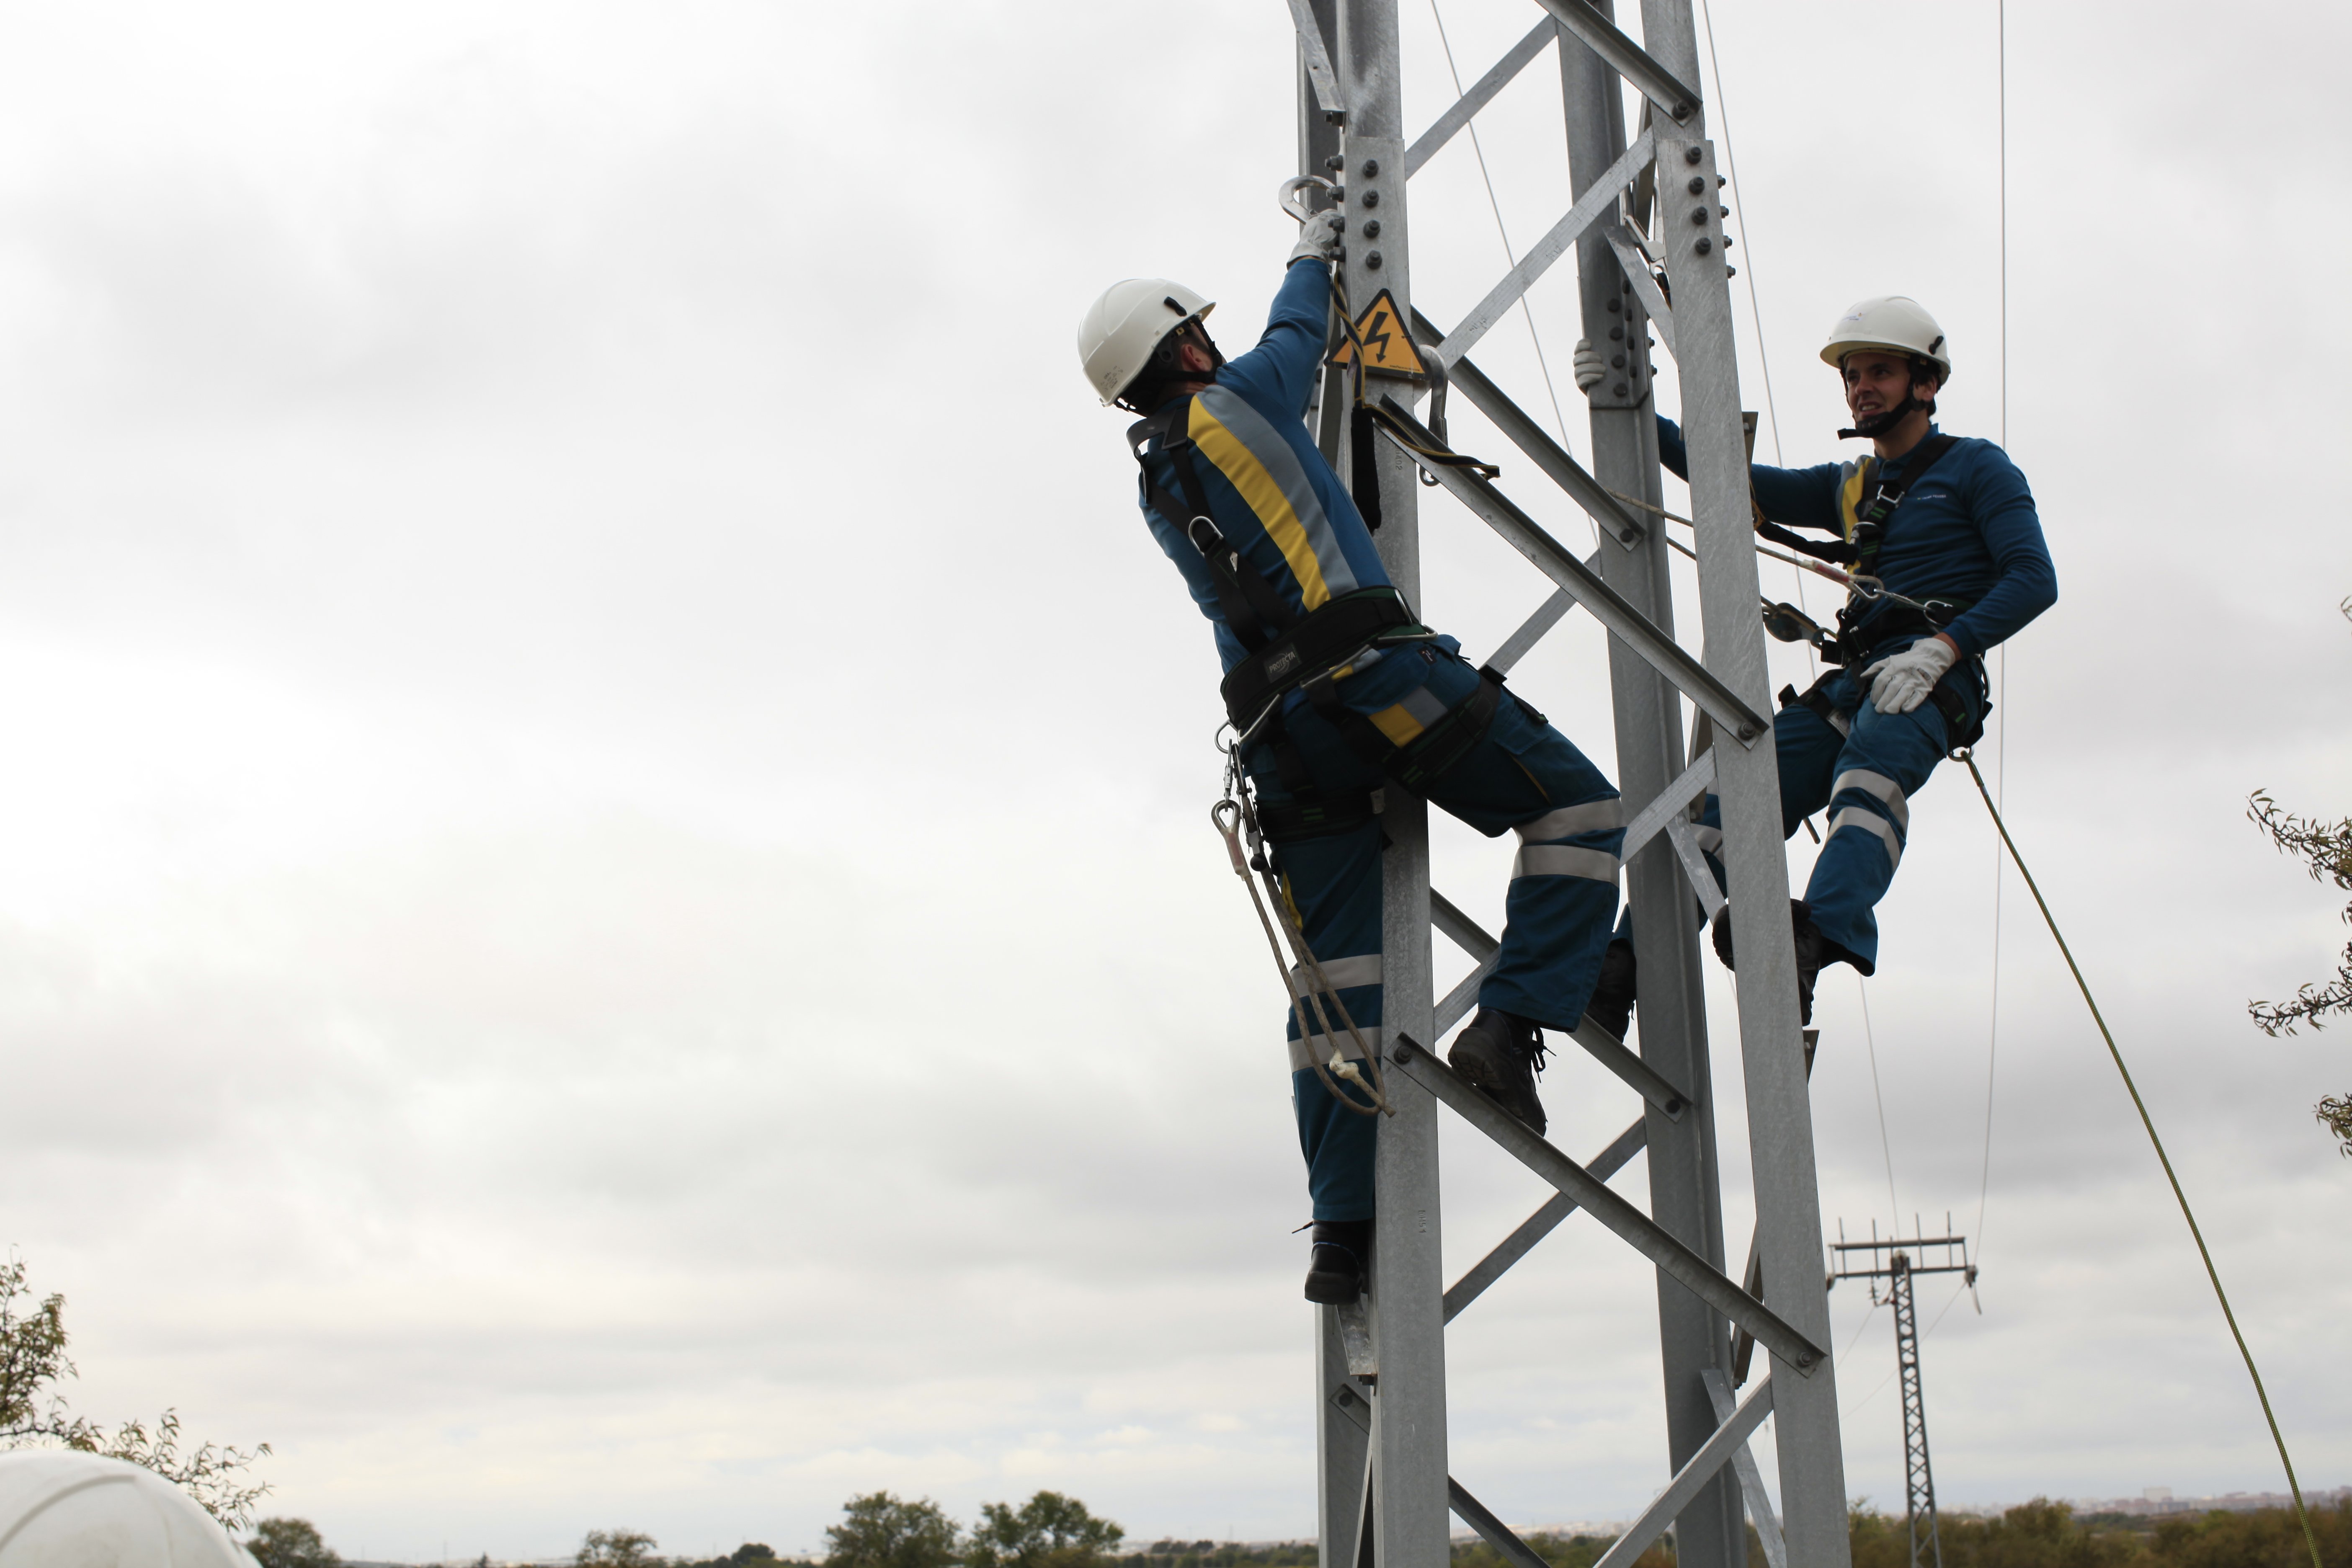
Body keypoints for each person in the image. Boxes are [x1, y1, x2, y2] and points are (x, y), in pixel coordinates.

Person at [1079, 211, 1628, 1304]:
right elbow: (1298, 331)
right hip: (1375, 677)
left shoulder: (1158, 479)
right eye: (1200, 334)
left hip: (1285, 739)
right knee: (1577, 815)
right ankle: (1513, 1027)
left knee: (1340, 988)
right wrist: (1316, 244)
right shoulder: (1237, 400)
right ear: (1186, 349)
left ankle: (1341, 1233)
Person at [1572, 296, 2057, 1027]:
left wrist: (1944, 648)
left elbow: (2033, 578)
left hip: (1928, 673)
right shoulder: (1854, 487)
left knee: (1871, 773)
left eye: (1881, 373)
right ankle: (1625, 965)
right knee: (1733, 801)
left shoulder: (1976, 468)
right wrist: (1629, 410)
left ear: (1926, 384)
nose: (1863, 387)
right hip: (1858, 676)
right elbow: (1728, 477)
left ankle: (1816, 933)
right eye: (1854, 375)